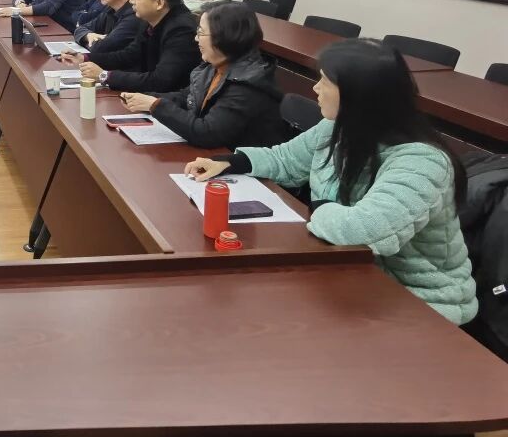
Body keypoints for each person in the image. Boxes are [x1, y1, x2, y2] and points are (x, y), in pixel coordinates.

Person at [183, 39, 477, 325]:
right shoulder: (338, 127)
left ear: (356, 95)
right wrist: (231, 162)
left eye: (324, 81)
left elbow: (361, 231)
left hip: (422, 301)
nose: (315, 88)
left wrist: (319, 206)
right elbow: (286, 159)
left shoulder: (422, 162)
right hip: (353, 274)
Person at [120, 0, 288, 149]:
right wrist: (146, 98)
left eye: (201, 33)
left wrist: (156, 106)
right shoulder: (213, 67)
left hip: (244, 168)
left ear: (224, 37)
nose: (196, 39)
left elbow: (207, 132)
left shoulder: (248, 84)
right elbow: (187, 97)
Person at [67, 0, 199, 92]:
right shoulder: (149, 19)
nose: (132, 0)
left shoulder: (181, 30)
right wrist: (85, 58)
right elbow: (129, 55)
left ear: (159, 3)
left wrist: (105, 76)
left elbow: (161, 80)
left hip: (169, 99)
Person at [74, 0, 140, 54]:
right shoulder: (110, 9)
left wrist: (89, 42)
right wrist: (88, 35)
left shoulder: (134, 16)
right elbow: (80, 28)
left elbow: (101, 48)